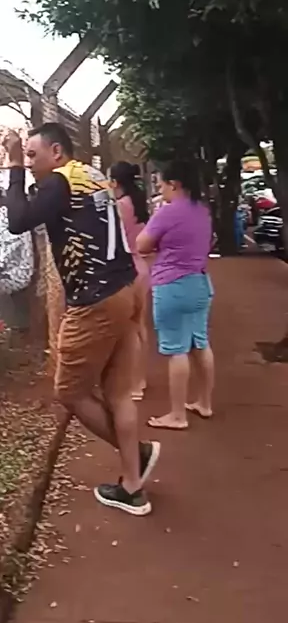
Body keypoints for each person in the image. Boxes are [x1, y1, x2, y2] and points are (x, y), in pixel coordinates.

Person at [4, 122, 161, 517]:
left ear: (56, 152)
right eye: (26, 157)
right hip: (125, 287)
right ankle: (132, 487)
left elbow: (17, 220)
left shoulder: (59, 181)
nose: (30, 162)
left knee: (70, 392)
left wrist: (13, 166)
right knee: (118, 393)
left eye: (33, 155)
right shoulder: (91, 175)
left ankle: (138, 455)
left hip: (95, 300)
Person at [136, 160, 214, 430]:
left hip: (172, 284)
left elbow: (141, 244)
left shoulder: (167, 212)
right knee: (200, 344)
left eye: (162, 184)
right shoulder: (203, 210)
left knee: (177, 350)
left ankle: (177, 415)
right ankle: (204, 403)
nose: (160, 189)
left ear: (175, 184)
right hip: (200, 282)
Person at [109, 161, 150, 401]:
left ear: (115, 182)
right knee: (140, 326)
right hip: (142, 267)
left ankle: (133, 383)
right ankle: (141, 379)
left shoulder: (119, 206)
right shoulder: (139, 203)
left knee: (129, 330)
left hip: (126, 269)